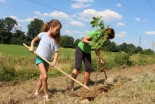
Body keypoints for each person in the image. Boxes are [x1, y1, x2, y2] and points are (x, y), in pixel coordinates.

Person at [29, 19, 62, 101]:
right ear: (51, 27)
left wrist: (54, 61)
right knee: (45, 76)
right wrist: (32, 46)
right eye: (57, 30)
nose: (57, 32)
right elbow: (33, 40)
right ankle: (46, 95)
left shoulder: (54, 40)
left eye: (59, 30)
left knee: (42, 77)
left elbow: (56, 52)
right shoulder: (42, 34)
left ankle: (37, 91)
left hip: (47, 60)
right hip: (39, 58)